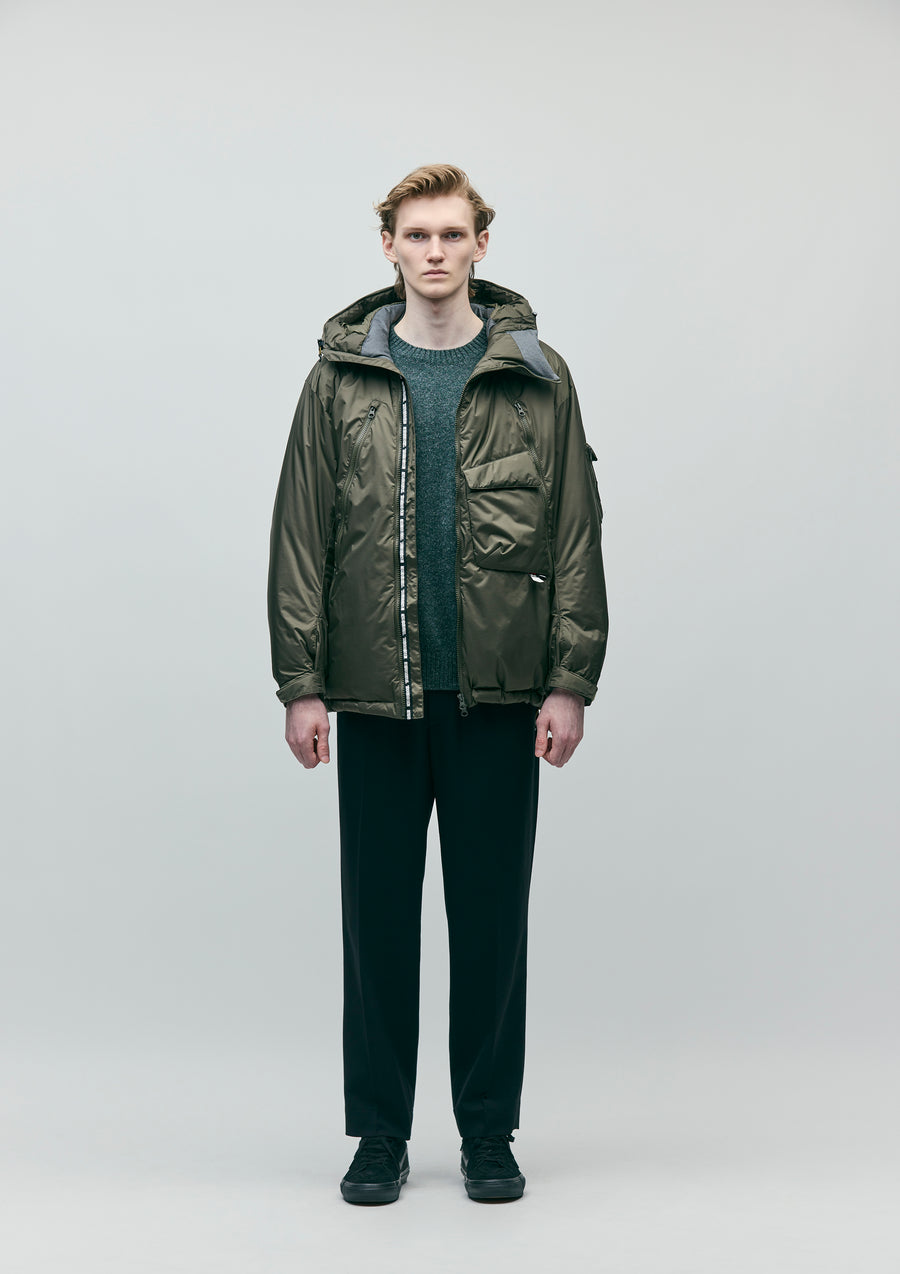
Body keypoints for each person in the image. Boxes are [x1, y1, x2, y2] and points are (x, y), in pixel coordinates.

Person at [267, 164, 608, 1205]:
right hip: (376, 696)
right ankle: (379, 1135)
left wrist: (570, 680)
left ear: (480, 245)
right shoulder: (339, 381)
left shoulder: (538, 377)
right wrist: (302, 683)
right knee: (376, 927)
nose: (434, 251)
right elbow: (301, 534)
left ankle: (488, 1132)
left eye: (452, 234)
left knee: (492, 923)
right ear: (389, 246)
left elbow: (576, 533)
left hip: (499, 698)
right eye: (416, 234)